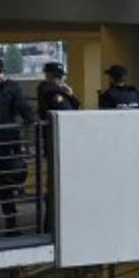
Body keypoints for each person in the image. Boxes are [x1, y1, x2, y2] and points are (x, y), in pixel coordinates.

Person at [0, 59, 35, 234]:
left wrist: (31, 120)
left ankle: (11, 225)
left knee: (7, 187)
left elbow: (24, 108)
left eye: (1, 71)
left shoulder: (11, 89)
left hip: (7, 143)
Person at [37, 62, 79, 231]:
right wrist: (65, 91)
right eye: (58, 77)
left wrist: (70, 94)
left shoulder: (59, 91)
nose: (60, 80)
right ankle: (50, 224)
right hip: (55, 140)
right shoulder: (47, 89)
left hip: (64, 141)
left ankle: (57, 222)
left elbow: (75, 105)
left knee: (65, 184)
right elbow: (60, 104)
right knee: (55, 184)